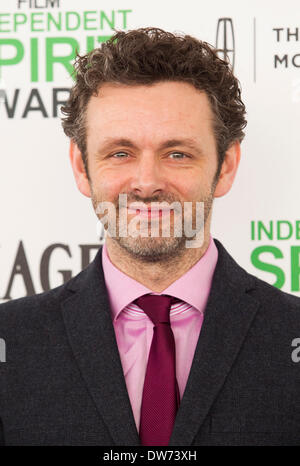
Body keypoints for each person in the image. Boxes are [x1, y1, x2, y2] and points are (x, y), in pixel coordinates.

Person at [0, 27, 300, 447]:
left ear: (226, 165)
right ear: (82, 167)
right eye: (119, 153)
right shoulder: (9, 342)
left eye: (177, 153)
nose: (146, 182)